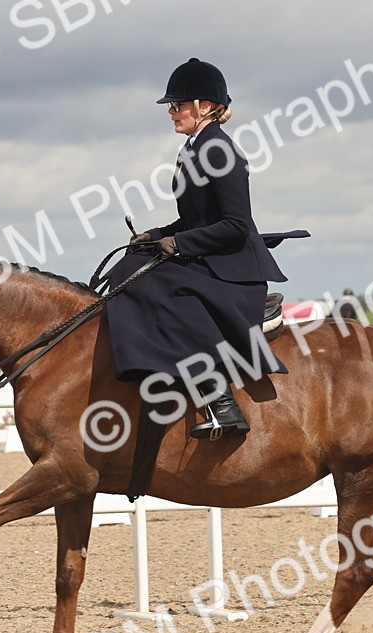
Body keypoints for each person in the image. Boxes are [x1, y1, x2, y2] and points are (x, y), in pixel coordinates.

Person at [105, 57, 287, 440]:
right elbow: (194, 219)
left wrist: (179, 243)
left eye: (178, 105)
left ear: (206, 107)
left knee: (153, 285)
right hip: (209, 255)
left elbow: (236, 226)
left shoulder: (220, 151)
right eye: (171, 106)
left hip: (233, 268)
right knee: (128, 267)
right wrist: (156, 235)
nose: (171, 112)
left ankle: (220, 401)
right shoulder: (193, 148)